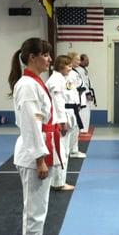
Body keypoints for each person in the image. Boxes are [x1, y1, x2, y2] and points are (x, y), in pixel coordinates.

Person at [8, 38, 61, 235]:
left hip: (40, 147)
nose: (50, 59)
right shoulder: (27, 85)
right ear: (32, 57)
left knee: (39, 209)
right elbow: (31, 124)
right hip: (34, 153)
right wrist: (40, 158)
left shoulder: (35, 82)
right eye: (46, 55)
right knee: (34, 211)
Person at [47, 55, 75, 191]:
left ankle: (58, 181)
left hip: (66, 115)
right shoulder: (55, 79)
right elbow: (57, 102)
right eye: (68, 65)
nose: (70, 68)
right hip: (59, 118)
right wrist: (62, 121)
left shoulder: (61, 78)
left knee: (64, 150)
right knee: (61, 151)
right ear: (60, 66)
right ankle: (58, 183)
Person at [67, 51, 87, 158]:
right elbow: (71, 89)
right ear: (71, 59)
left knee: (76, 128)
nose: (79, 61)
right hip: (73, 104)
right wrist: (76, 103)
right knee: (73, 128)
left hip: (76, 103)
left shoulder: (74, 71)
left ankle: (73, 149)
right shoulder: (70, 73)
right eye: (77, 59)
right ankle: (72, 150)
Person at [76, 53, 96, 134]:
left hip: (84, 92)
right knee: (84, 111)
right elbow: (84, 83)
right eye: (86, 60)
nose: (88, 62)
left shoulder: (82, 69)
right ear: (81, 61)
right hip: (83, 93)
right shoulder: (80, 70)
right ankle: (83, 129)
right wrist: (88, 94)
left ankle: (83, 129)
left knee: (85, 111)